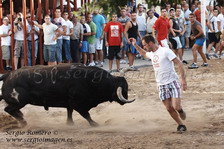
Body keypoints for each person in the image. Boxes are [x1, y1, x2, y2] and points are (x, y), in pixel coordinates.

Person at [130, 35, 187, 132]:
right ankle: (181, 125)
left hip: (172, 82)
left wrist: (183, 80)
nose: (144, 47)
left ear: (150, 43)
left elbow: (179, 63)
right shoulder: (152, 54)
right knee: (169, 108)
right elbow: (143, 53)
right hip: (161, 85)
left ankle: (180, 110)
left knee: (176, 106)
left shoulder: (165, 51)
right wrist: (135, 45)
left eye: (145, 45)